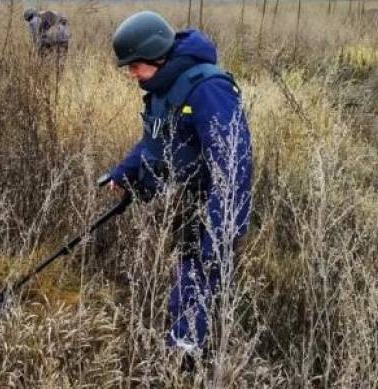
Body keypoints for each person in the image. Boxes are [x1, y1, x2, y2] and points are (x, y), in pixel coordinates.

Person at [108, 11, 253, 356]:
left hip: (213, 205)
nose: (132, 73)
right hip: (187, 200)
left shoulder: (208, 89)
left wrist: (221, 232)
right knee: (188, 277)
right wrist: (125, 171)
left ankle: (184, 359)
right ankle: (185, 345)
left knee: (196, 281)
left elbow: (235, 166)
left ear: (157, 56)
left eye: (135, 65)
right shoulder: (162, 88)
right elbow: (154, 140)